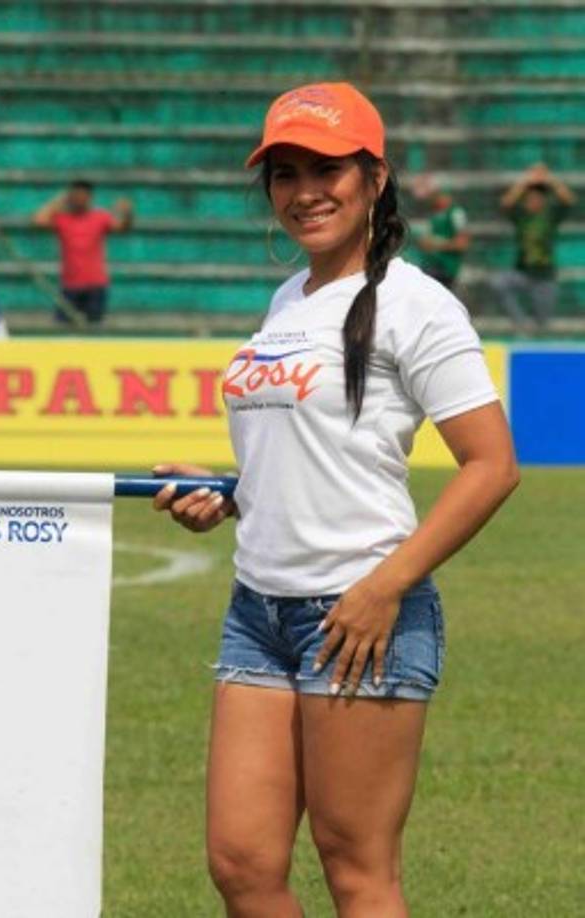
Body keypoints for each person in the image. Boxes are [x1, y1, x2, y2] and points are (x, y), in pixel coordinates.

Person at [153, 82, 520, 918]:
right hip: (258, 611)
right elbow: (306, 456)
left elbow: (490, 466)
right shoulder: (288, 303)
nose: (304, 191)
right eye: (284, 173)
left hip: (363, 612)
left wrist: (381, 588)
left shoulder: (417, 304)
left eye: (326, 168)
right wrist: (230, 493)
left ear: (374, 178)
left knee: (356, 870)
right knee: (241, 866)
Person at [490, 163, 576, 332]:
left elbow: (569, 200)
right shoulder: (521, 216)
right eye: (530, 199)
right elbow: (505, 203)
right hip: (523, 273)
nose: (533, 202)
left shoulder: (550, 216)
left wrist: (549, 179)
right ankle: (520, 323)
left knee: (542, 324)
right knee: (498, 283)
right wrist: (526, 180)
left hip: (545, 276)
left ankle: (533, 332)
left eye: (537, 198)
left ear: (543, 200)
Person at [32, 179, 133, 324]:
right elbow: (38, 221)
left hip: (95, 285)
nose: (79, 200)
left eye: (83, 196)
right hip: (70, 285)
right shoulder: (62, 218)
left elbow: (122, 228)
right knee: (62, 329)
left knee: (93, 330)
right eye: (75, 196)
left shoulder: (100, 217)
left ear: (90, 198)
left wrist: (127, 212)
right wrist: (57, 201)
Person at [411, 174, 471, 290]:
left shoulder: (455, 213)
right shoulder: (434, 214)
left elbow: (462, 244)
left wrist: (436, 244)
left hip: (446, 269)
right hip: (432, 266)